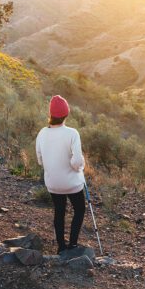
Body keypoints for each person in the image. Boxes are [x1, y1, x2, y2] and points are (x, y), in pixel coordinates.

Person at [35, 95, 86, 254]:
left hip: (53, 184)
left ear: (51, 114)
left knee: (59, 211)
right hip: (72, 183)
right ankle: (73, 244)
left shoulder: (42, 133)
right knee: (79, 209)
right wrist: (80, 166)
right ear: (66, 114)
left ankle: (61, 247)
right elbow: (77, 162)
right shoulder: (72, 133)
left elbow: (40, 160)